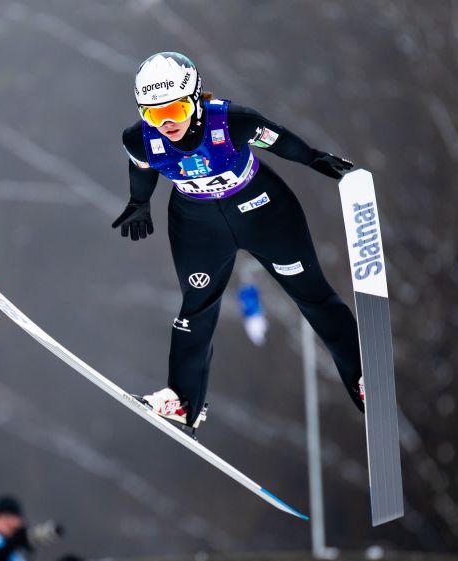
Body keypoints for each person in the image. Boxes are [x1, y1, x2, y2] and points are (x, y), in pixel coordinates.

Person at [114, 52, 364, 435]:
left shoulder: (233, 121)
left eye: (177, 110)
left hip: (263, 211)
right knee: (195, 310)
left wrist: (315, 159)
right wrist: (139, 201)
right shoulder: (139, 138)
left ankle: (362, 377)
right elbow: (142, 166)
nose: (166, 124)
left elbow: (281, 140)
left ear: (195, 99)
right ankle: (182, 402)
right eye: (153, 114)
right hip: (198, 225)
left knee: (311, 294)